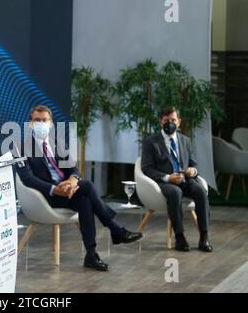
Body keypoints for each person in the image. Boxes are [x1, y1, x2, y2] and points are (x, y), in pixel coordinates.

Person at [16, 105, 143, 272]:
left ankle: (91, 254)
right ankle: (115, 230)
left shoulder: (59, 144)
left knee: (85, 201)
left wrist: (72, 181)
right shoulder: (20, 148)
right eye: (36, 120)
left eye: (44, 120)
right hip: (44, 197)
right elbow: (28, 179)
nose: (40, 124)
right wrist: (55, 189)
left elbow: (73, 169)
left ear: (51, 123)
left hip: (67, 192)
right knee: (88, 186)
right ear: (30, 124)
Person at [141, 106, 213, 252]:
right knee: (175, 193)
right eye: (166, 120)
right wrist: (168, 178)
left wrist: (193, 171)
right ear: (160, 122)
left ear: (179, 122)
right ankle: (179, 237)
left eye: (173, 120)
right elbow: (146, 168)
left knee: (200, 192)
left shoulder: (185, 140)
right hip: (165, 182)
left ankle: (204, 237)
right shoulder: (151, 142)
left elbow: (192, 163)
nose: (170, 123)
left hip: (185, 179)